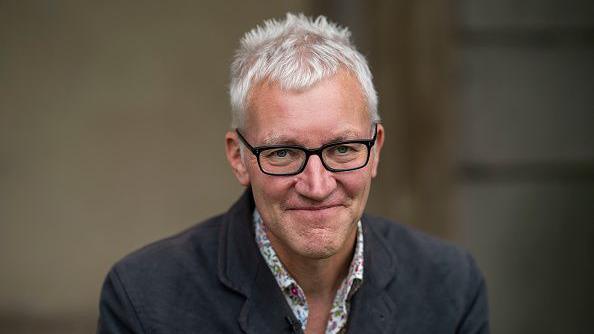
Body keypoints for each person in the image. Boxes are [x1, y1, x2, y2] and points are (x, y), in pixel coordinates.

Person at [97, 13, 489, 334]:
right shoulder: (144, 299)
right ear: (239, 158)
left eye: (342, 149)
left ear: (375, 151)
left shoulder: (450, 287)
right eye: (283, 153)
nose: (317, 186)